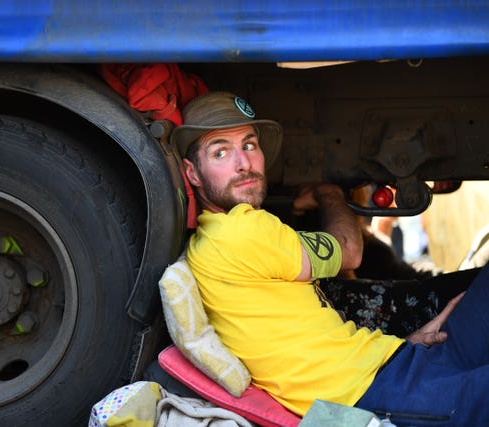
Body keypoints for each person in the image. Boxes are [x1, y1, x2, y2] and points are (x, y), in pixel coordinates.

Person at [170, 91, 489, 426]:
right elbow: (350, 250)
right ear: (191, 173)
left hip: (394, 362)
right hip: (377, 393)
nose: (244, 163)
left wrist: (399, 346)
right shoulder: (240, 231)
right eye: (221, 152)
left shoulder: (215, 240)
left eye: (249, 145)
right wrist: (328, 193)